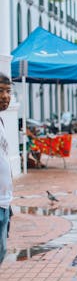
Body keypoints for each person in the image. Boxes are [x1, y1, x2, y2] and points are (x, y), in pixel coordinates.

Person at [0, 73, 12, 266]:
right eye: (0, 91)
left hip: (4, 201)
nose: (5, 96)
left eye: (8, 91)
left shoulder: (1, 121)